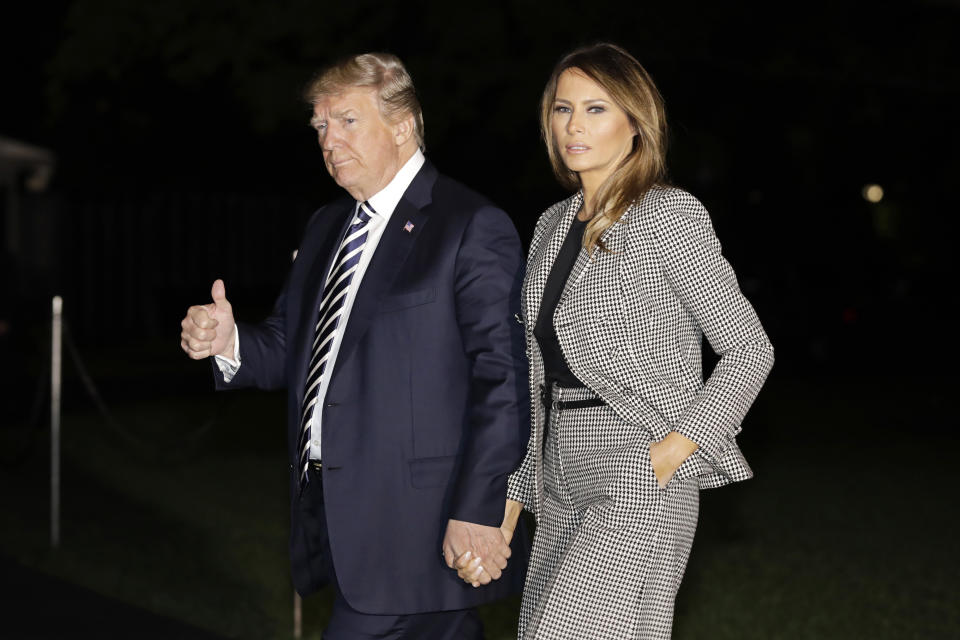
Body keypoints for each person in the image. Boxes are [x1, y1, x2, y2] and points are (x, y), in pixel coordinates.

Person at [179, 52, 529, 640]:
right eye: (319, 126)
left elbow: (503, 381)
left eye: (346, 121)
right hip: (335, 516)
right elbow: (292, 345)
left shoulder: (468, 224)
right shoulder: (326, 226)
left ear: (402, 126)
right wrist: (230, 338)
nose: (328, 140)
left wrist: (477, 508)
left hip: (418, 524)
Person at [455, 43, 775, 638]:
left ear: (636, 124)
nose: (574, 125)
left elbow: (749, 347)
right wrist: (512, 502)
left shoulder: (668, 215)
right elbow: (535, 377)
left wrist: (676, 448)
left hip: (636, 466)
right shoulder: (550, 225)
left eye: (596, 109)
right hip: (557, 471)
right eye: (562, 108)